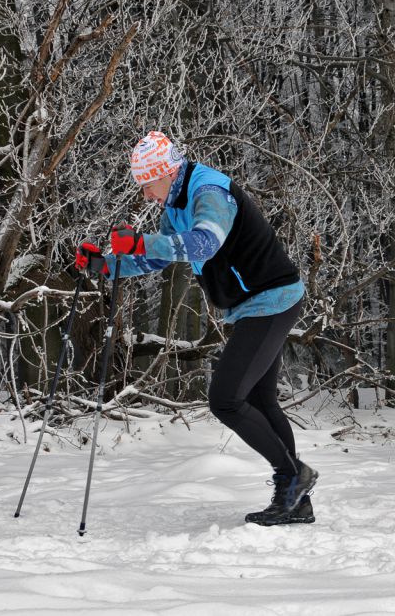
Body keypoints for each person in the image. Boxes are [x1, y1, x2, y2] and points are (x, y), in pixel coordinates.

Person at [74, 131, 317, 527]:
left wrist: (141, 242)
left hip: (272, 298)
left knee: (225, 399)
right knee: (260, 400)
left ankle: (294, 476)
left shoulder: (209, 191)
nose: (146, 196)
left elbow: (205, 243)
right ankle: (295, 500)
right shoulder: (175, 204)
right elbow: (159, 258)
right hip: (253, 305)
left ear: (166, 172)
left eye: (147, 185)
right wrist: (106, 265)